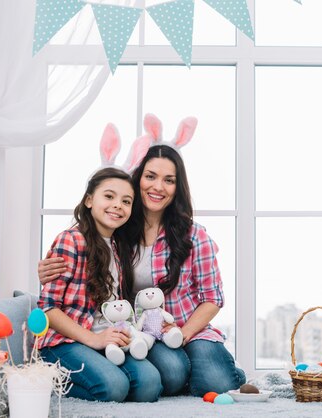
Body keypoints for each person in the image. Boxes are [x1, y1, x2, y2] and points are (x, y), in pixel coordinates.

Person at [39, 116, 246, 397]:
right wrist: (47, 269)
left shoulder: (194, 235)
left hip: (188, 328)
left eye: (168, 180)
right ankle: (182, 372)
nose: (158, 187)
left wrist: (182, 334)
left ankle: (215, 368)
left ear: (177, 187)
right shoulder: (120, 232)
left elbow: (213, 299)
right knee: (171, 376)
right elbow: (80, 267)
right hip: (144, 331)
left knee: (219, 384)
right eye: (150, 176)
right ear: (138, 180)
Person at [38, 167, 162, 402]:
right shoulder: (71, 240)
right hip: (64, 341)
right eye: (109, 196)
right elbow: (47, 309)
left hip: (105, 336)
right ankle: (45, 378)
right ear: (88, 200)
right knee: (114, 387)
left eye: (126, 201)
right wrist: (94, 340)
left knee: (149, 384)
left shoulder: (116, 246)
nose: (118, 205)